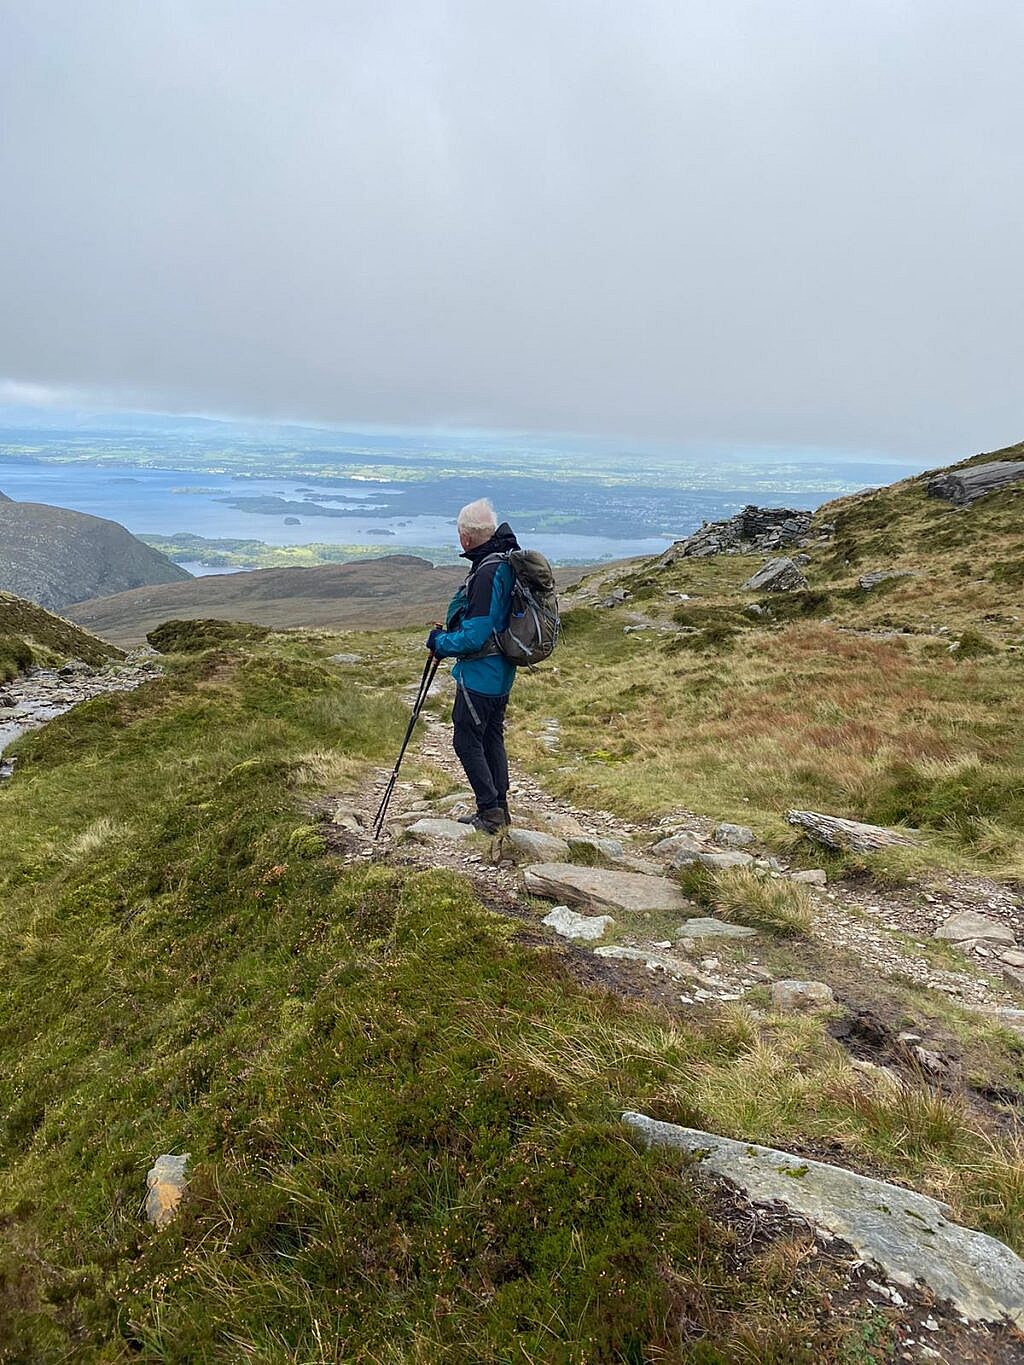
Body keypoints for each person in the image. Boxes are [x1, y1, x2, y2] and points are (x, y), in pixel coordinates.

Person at [426, 499, 519, 833]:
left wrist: (439, 642)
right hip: (503, 671)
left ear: (465, 537)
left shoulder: (486, 571)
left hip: (481, 673)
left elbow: (475, 635)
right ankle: (500, 807)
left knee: (467, 740)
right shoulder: (506, 561)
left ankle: (489, 812)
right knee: (491, 736)